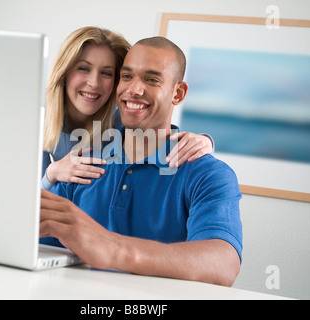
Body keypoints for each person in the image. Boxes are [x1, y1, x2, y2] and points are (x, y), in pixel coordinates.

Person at [39, 36, 243, 287]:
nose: (134, 90)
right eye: (126, 77)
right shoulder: (79, 165)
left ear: (177, 93)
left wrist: (112, 248)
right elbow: (36, 251)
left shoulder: (207, 175)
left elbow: (224, 264)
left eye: (151, 79)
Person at [41, 27, 214, 190]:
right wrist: (51, 174)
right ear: (64, 72)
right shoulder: (37, 119)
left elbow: (160, 133)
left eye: (107, 73)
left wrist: (205, 141)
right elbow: (28, 202)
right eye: (84, 68)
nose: (93, 83)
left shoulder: (121, 118)